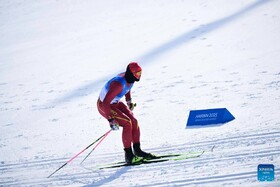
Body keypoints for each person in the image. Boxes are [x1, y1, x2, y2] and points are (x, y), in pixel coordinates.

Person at [97, 62, 155, 164]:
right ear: (131, 73)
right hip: (104, 105)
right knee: (127, 123)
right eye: (137, 73)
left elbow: (128, 88)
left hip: (115, 102)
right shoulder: (118, 85)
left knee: (134, 121)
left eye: (140, 72)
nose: (139, 75)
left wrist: (129, 101)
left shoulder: (130, 78)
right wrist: (111, 120)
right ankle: (129, 156)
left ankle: (138, 151)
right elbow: (106, 102)